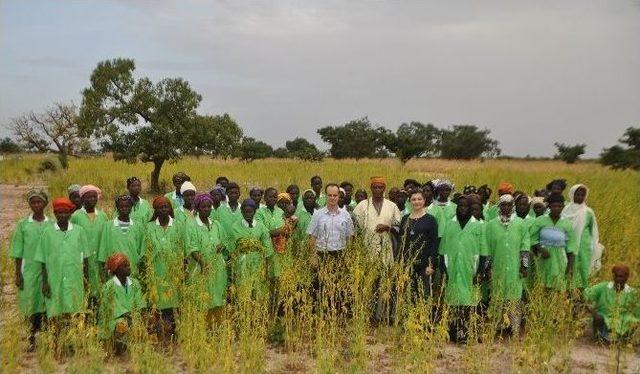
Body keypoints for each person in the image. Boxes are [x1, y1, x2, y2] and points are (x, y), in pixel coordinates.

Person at [438, 195, 488, 343]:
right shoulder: (449, 224)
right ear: (457, 207)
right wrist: (444, 270)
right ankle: (453, 333)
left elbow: (483, 251)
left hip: (469, 269)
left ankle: (465, 334)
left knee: (468, 304)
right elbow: (442, 251)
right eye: (460, 206)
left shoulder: (477, 225)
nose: (463, 209)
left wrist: (479, 272)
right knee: (453, 302)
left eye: (466, 206)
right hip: (452, 268)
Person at [34, 198, 89, 319]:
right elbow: (42, 260)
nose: (62, 215)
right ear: (55, 214)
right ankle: (56, 336)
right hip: (53, 278)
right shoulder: (47, 233)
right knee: (55, 311)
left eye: (65, 212)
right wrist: (44, 283)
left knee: (74, 310)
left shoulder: (79, 231)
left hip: (75, 277)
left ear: (70, 214)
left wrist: (86, 280)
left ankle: (72, 336)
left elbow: (85, 258)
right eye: (59, 212)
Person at [10, 189, 51, 350]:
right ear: (29, 204)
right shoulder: (23, 225)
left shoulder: (51, 224)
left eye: (39, 202)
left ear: (45, 204)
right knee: (30, 303)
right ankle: (31, 338)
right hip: (29, 271)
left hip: (48, 271)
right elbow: (17, 251)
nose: (36, 205)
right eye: (33, 202)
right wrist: (17, 273)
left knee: (47, 303)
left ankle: (48, 337)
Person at [485, 194, 530, 337]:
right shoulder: (491, 225)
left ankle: (515, 329)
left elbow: (525, 246)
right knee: (497, 297)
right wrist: (487, 267)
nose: (506, 208)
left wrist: (524, 265)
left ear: (513, 207)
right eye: (503, 205)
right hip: (497, 267)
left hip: (514, 268)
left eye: (509, 205)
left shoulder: (520, 224)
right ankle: (496, 327)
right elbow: (487, 248)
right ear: (499, 206)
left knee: (514, 297)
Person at [143, 196, 185, 341]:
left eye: (166, 207)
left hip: (174, 271)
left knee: (175, 302)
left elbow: (183, 249)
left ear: (170, 209)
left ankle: (175, 331)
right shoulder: (149, 227)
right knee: (158, 302)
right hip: (156, 270)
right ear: (155, 210)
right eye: (160, 207)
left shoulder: (178, 225)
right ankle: (160, 333)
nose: (163, 210)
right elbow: (145, 251)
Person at [185, 193, 228, 322]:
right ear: (197, 208)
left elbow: (224, 241)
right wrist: (203, 263)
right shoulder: (191, 225)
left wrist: (221, 246)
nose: (207, 209)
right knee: (202, 296)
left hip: (218, 266)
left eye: (209, 206)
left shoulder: (216, 224)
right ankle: (202, 328)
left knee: (218, 294)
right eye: (204, 207)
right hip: (200, 268)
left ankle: (216, 327)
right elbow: (192, 247)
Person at [226, 199, 274, 301]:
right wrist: (233, 270)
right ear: (242, 211)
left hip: (258, 263)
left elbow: (267, 249)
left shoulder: (261, 227)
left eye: (250, 212)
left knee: (258, 290)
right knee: (243, 291)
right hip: (241, 264)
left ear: (254, 211)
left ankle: (256, 315)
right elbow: (232, 250)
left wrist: (266, 269)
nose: (248, 214)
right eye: (245, 212)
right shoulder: (235, 227)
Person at [98, 253, 146, 355]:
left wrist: (137, 315)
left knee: (144, 323)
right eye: (125, 266)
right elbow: (113, 310)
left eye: (128, 265)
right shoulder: (109, 287)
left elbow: (140, 304)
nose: (129, 268)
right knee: (122, 325)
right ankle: (117, 347)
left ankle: (131, 345)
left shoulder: (135, 283)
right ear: (116, 269)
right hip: (113, 321)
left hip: (132, 317)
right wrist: (130, 316)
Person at [529, 194, 576, 292]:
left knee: (558, 286)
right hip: (544, 258)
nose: (556, 209)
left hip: (560, 259)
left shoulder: (566, 223)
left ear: (563, 207)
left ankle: (556, 305)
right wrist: (540, 248)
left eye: (559, 206)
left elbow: (571, 246)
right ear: (549, 207)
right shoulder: (540, 221)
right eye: (554, 206)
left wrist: (570, 266)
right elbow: (531, 238)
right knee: (543, 285)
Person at [398, 190, 439, 299]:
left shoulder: (431, 220)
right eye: (414, 199)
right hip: (407, 264)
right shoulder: (405, 219)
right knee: (407, 295)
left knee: (422, 296)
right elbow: (401, 242)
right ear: (409, 201)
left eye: (419, 199)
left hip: (424, 264)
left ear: (424, 201)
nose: (417, 202)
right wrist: (400, 263)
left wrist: (432, 265)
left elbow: (434, 243)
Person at [353, 176, 402, 268]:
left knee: (385, 278)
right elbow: (355, 228)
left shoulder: (392, 206)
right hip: (366, 248)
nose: (377, 190)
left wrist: (388, 227)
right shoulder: (362, 205)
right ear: (371, 188)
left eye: (380, 187)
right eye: (375, 187)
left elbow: (399, 226)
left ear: (384, 188)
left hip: (386, 248)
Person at [71, 185, 108, 303]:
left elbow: (106, 237)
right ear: (82, 199)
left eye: (94, 197)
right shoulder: (76, 216)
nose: (92, 199)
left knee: (101, 286)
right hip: (83, 259)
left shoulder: (103, 216)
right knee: (85, 285)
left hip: (100, 258)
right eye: (88, 197)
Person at [562, 184, 603, 290]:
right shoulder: (565, 210)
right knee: (567, 266)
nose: (580, 197)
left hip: (583, 246)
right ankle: (568, 292)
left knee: (582, 268)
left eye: (582, 195)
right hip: (567, 244)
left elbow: (593, 230)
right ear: (571, 194)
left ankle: (582, 292)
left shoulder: (588, 212)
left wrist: (594, 246)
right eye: (577, 194)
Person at [584, 264, 639, 342]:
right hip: (604, 319)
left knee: (633, 321)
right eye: (616, 276)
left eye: (621, 276)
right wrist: (594, 313)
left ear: (627, 277)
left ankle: (623, 339)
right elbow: (586, 296)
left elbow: (637, 312)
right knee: (598, 318)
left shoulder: (632, 293)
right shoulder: (603, 287)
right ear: (613, 276)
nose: (618, 278)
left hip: (623, 321)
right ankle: (600, 338)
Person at [98, 195, 145, 277]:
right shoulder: (108, 226)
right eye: (121, 206)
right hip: (114, 271)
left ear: (131, 207)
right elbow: (103, 250)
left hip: (133, 268)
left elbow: (142, 251)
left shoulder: (138, 226)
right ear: (117, 208)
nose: (124, 208)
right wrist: (105, 271)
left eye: (127, 206)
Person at [307, 184, 355, 255]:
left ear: (338, 196)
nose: (332, 198)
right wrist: (313, 256)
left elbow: (349, 237)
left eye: (335, 195)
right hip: (322, 255)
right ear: (326, 196)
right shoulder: (317, 214)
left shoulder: (346, 215)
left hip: (341, 255)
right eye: (330, 195)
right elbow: (312, 237)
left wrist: (348, 255)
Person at [255, 188, 286, 278]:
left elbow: (286, 229)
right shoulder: (259, 213)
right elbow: (263, 233)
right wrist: (279, 231)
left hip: (280, 250)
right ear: (264, 198)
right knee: (266, 276)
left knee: (278, 276)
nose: (273, 199)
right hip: (266, 250)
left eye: (275, 197)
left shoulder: (280, 212)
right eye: (270, 197)